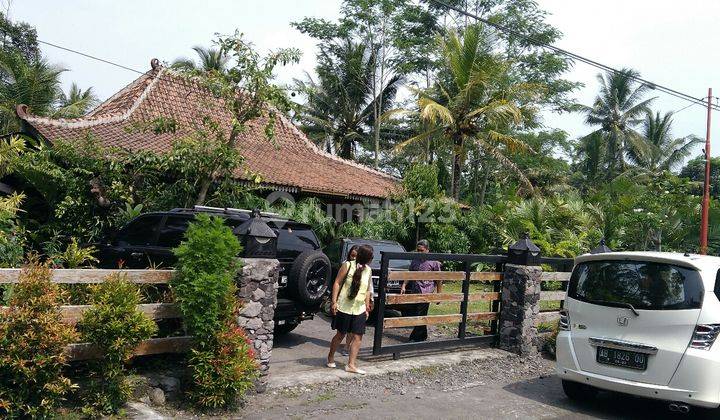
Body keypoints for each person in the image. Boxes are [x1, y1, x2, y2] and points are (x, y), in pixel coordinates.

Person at [327, 244, 373, 374]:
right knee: (340, 334)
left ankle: (351, 364)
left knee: (358, 337)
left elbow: (367, 290)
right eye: (371, 256)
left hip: (359, 308)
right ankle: (330, 356)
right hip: (344, 307)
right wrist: (334, 302)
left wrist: (367, 307)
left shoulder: (368, 270)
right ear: (365, 256)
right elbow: (337, 282)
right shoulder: (347, 265)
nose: (372, 259)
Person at [400, 239, 442, 342]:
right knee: (417, 313)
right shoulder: (415, 260)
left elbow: (439, 279)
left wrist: (439, 295)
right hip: (415, 290)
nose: (419, 252)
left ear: (427, 250)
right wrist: (404, 285)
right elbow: (410, 274)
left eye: (421, 250)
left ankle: (414, 338)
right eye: (418, 250)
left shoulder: (434, 262)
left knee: (420, 313)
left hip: (426, 291)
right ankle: (423, 335)